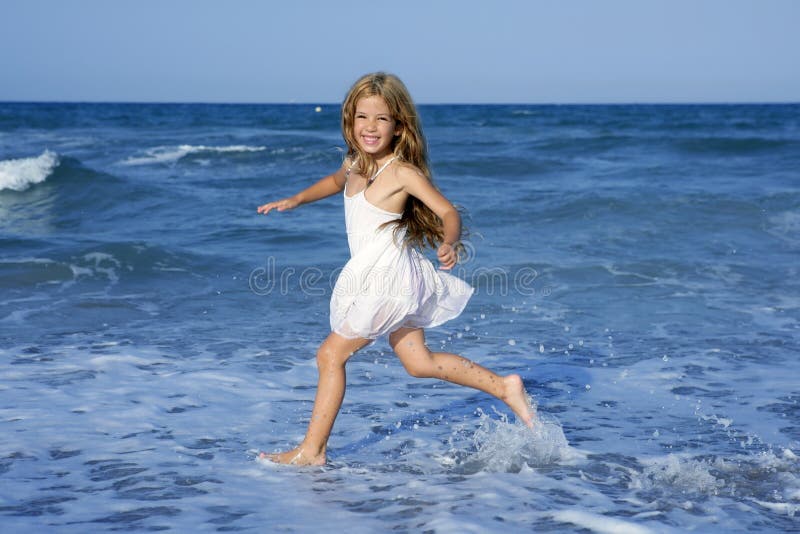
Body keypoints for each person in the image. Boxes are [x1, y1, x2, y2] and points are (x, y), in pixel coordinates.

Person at [256, 72, 534, 466]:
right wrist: (297, 199)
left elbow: (447, 211)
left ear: (399, 125)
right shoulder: (353, 162)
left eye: (382, 119)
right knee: (418, 363)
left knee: (330, 356)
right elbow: (335, 182)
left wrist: (449, 241)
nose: (370, 127)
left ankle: (312, 452)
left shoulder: (401, 172)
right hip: (381, 275)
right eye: (362, 117)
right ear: (350, 120)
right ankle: (505, 387)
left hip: (389, 278)